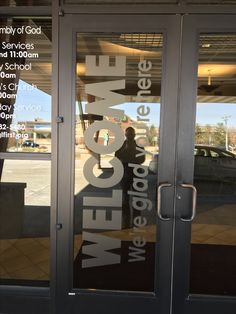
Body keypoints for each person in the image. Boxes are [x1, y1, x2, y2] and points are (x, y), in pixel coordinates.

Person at [115, 127, 145, 228]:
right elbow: (117, 157)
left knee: (137, 200)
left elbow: (142, 159)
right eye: (128, 134)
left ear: (134, 135)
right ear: (125, 135)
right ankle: (125, 222)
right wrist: (126, 151)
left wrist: (127, 158)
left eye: (131, 134)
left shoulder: (139, 146)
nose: (130, 136)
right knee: (125, 200)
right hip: (125, 176)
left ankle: (136, 222)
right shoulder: (122, 145)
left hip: (137, 176)